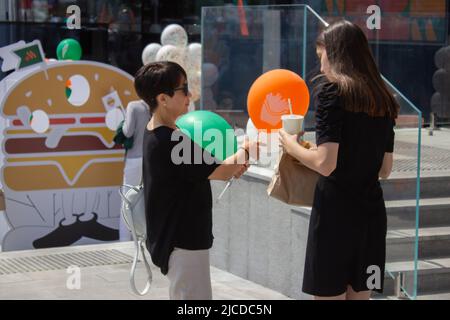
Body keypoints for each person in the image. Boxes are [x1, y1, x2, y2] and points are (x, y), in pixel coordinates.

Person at [279, 20, 398, 300]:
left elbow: (325, 163)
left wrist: (290, 145)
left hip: (335, 215)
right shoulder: (384, 99)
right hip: (371, 216)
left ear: (336, 55)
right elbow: (386, 169)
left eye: (322, 57)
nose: (321, 68)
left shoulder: (332, 93)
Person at [134, 61, 258, 300]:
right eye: (183, 89)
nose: (189, 95)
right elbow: (221, 171)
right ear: (163, 98)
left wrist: (234, 164)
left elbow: (208, 170)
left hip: (178, 239)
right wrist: (249, 148)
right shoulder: (170, 141)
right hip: (183, 241)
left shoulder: (159, 133)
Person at [119, 99, 151, 241]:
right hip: (149, 158)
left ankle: (125, 240)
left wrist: (123, 121)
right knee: (145, 200)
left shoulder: (133, 106)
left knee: (127, 201)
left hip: (134, 159)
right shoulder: (155, 105)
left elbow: (127, 131)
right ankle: (143, 239)